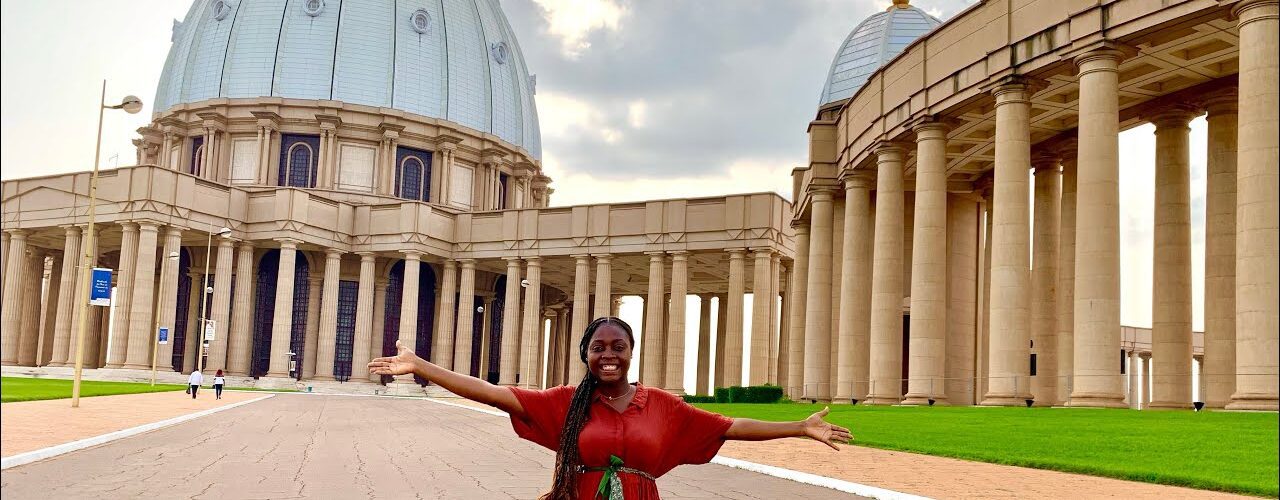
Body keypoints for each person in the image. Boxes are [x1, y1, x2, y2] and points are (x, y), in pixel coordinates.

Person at [369, 316, 852, 499]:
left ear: (630, 352)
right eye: (599, 347)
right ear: (586, 355)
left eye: (618, 346)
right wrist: (422, 367)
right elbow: (492, 392)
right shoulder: (565, 403)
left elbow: (728, 426)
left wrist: (798, 426)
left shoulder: (661, 405)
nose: (608, 355)